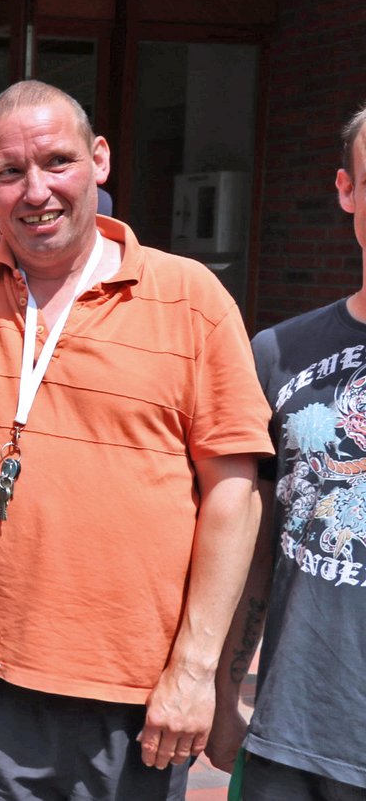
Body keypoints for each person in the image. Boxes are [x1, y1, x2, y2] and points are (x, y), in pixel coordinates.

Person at [0, 80, 272, 800]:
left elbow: (235, 494)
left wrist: (198, 669)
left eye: (56, 162)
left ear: (99, 159)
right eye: (11, 172)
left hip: (135, 691)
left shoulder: (190, 298)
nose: (36, 190)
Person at [207, 104, 366, 800]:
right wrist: (219, 686)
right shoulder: (278, 353)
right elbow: (254, 541)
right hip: (293, 732)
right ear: (346, 190)